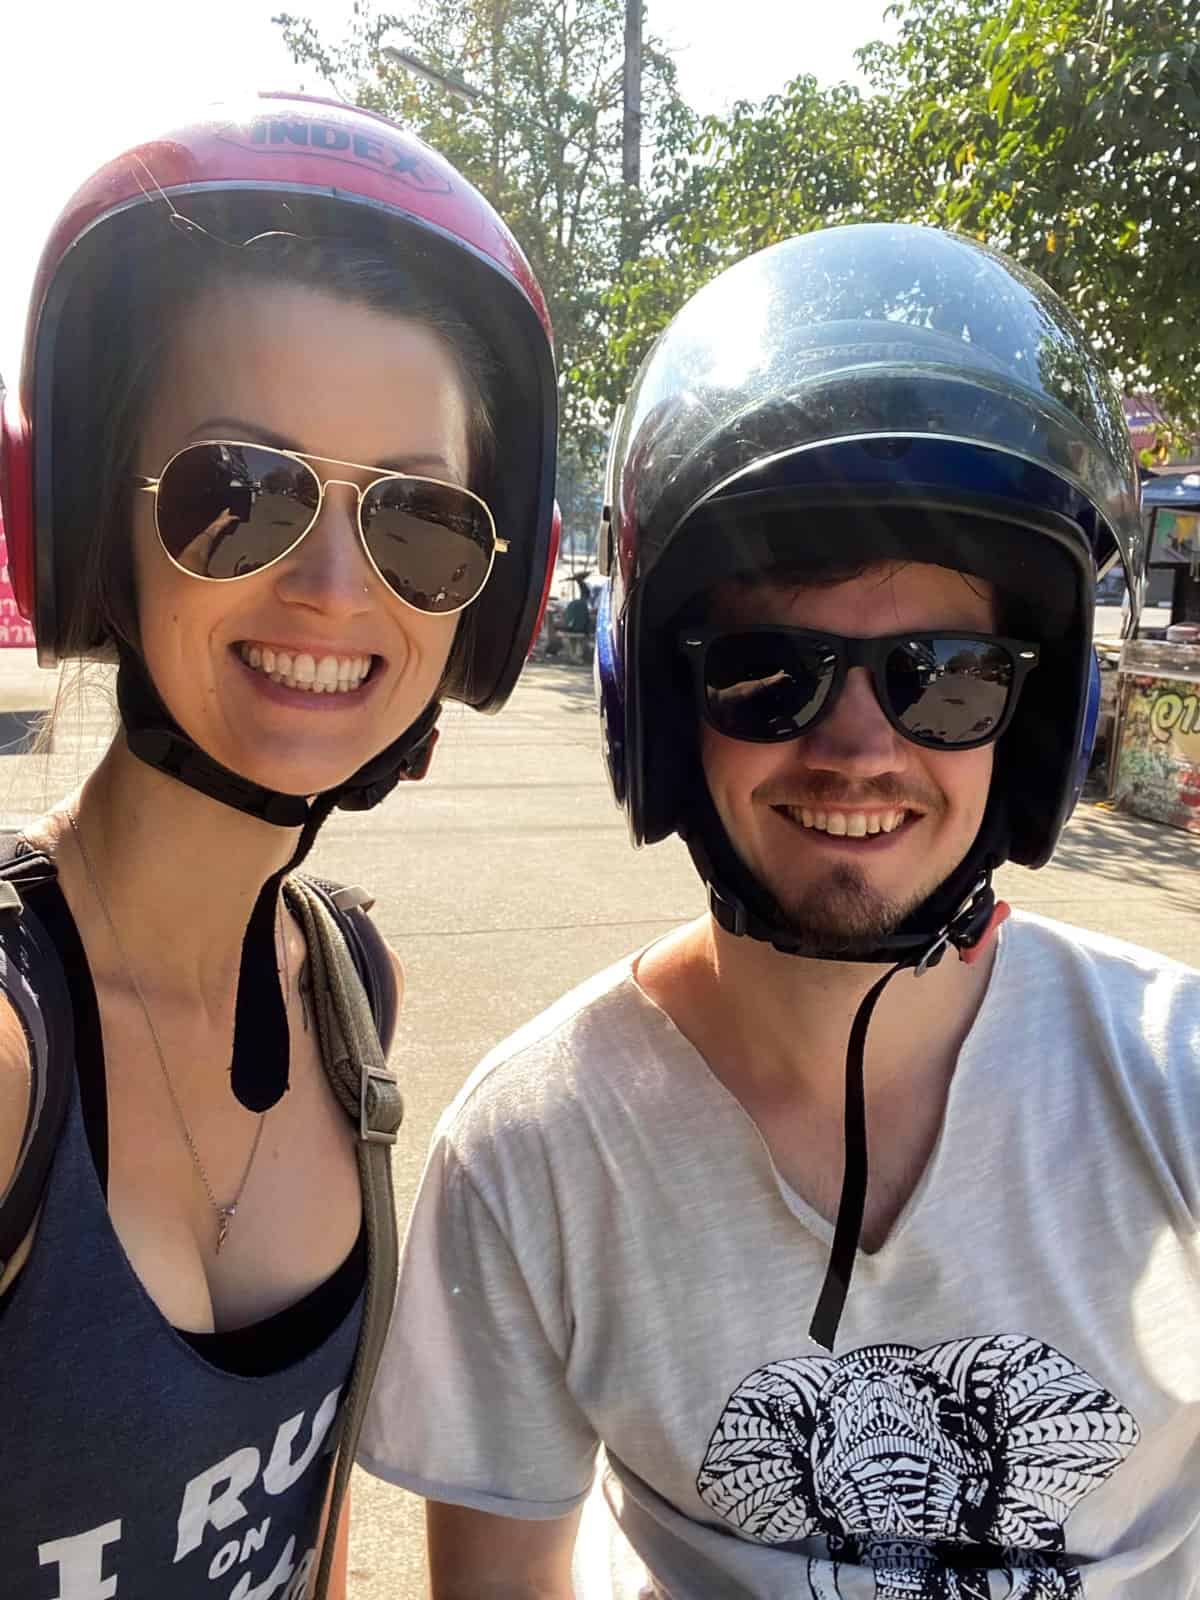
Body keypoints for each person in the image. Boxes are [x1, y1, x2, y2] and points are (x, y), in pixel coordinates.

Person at [360, 225, 1200, 1595]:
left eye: (945, 677)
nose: (861, 750)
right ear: (662, 717)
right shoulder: (534, 1152)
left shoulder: (1175, 1085)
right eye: (771, 673)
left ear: (1034, 721)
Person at [0, 94, 556, 1597]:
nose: (330, 585)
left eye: (422, 521)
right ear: (74, 526)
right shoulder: (8, 1048)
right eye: (239, 491)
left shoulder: (347, 988)